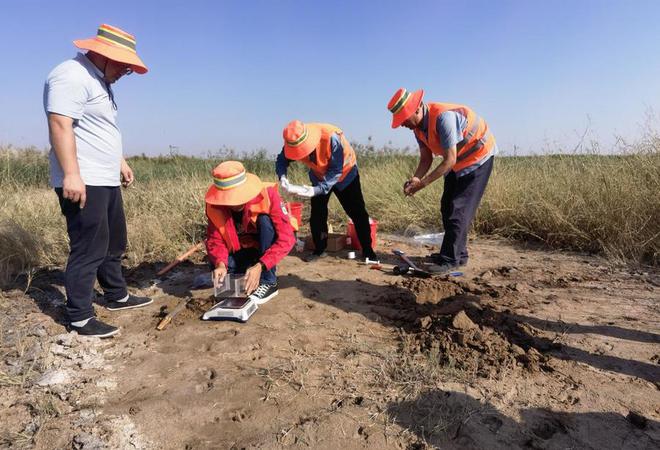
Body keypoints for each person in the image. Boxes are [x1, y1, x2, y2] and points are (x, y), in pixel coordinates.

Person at [44, 24, 152, 338]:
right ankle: (79, 316)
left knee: (113, 241)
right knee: (88, 246)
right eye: (124, 66)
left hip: (104, 177)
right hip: (84, 178)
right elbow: (60, 124)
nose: (125, 72)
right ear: (104, 55)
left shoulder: (99, 80)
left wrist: (119, 161)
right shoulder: (71, 74)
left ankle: (116, 294)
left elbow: (99, 129)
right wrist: (72, 174)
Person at [387, 88, 496, 273]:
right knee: (447, 206)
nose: (403, 124)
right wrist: (416, 178)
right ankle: (458, 254)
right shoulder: (418, 129)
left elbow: (449, 159)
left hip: (478, 157)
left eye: (404, 118)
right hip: (458, 161)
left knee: (458, 209)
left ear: (417, 109)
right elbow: (426, 158)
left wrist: (423, 184)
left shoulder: (443, 118)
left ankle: (450, 260)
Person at [276, 120, 378, 263]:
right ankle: (320, 249)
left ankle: (368, 250)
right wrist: (283, 177)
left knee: (357, 211)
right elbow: (281, 160)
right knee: (317, 213)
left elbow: (336, 171)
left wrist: (315, 190)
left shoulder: (331, 137)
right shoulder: (293, 140)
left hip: (346, 175)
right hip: (319, 176)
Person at [205, 161, 296, 304]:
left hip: (265, 243)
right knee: (222, 271)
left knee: (265, 221)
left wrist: (262, 264)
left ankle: (269, 281)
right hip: (242, 248)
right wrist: (220, 264)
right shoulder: (214, 206)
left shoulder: (268, 194)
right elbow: (214, 240)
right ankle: (250, 267)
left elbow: (287, 239)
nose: (235, 203)